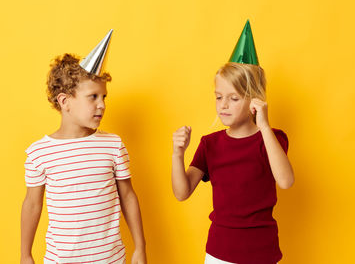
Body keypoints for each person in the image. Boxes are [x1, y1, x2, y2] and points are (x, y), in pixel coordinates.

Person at [172, 21, 294, 264]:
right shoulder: (210, 144)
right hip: (219, 252)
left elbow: (286, 181)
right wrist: (177, 154)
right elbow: (182, 192)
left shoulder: (271, 138)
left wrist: (265, 126)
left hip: (262, 252)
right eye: (219, 97)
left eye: (234, 98)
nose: (223, 105)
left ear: (254, 101)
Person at [20, 30, 146, 264]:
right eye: (93, 97)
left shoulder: (113, 145)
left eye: (104, 97)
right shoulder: (39, 153)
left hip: (110, 259)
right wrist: (25, 254)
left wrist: (140, 246)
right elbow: (32, 204)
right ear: (65, 101)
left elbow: (127, 196)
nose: (102, 105)